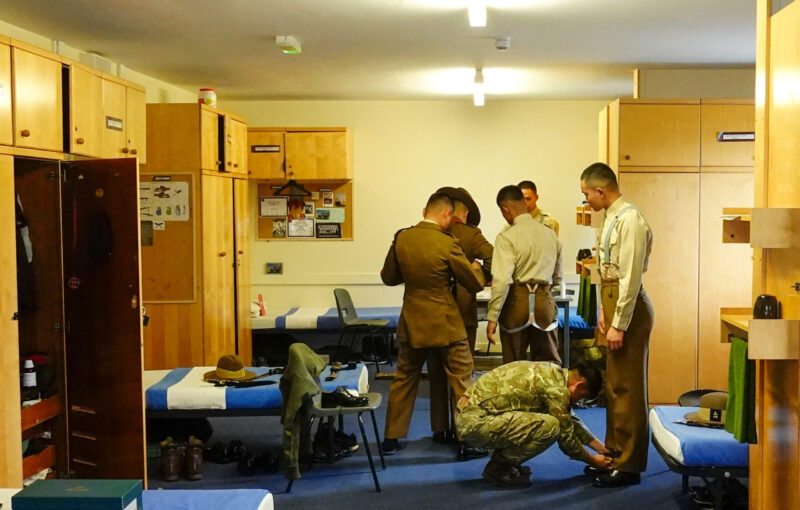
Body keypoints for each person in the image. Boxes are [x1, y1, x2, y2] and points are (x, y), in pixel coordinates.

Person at [380, 191, 485, 456]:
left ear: (424, 211)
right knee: (461, 378)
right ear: (447, 215)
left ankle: (391, 438)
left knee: (404, 378)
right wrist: (476, 268)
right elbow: (473, 284)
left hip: (412, 321)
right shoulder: (446, 242)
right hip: (445, 323)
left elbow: (389, 278)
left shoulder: (402, 238)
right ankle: (466, 440)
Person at [580, 162, 654, 488]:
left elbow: (630, 277)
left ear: (601, 190)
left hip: (630, 308)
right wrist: (603, 310)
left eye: (587, 194)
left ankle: (629, 465)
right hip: (613, 304)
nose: (586, 201)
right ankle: (614, 454)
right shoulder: (611, 217)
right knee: (614, 387)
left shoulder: (631, 219)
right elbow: (606, 270)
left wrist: (619, 323)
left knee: (628, 389)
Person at [456, 361, 613, 488]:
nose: (579, 401)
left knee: (545, 421)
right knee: (551, 426)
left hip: (472, 415)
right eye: (582, 397)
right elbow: (567, 439)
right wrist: (593, 460)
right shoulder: (557, 391)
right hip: (475, 424)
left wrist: (601, 448)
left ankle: (504, 461)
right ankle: (499, 467)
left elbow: (568, 417)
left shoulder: (553, 372)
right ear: (579, 385)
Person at [426, 187, 493, 459]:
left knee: (436, 374)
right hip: (462, 313)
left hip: (431, 315)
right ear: (463, 212)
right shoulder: (470, 235)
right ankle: (464, 434)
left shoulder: (426, 234)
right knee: (463, 376)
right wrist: (480, 273)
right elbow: (494, 257)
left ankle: (440, 429)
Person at [486, 185, 563, 365]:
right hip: (544, 301)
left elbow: (502, 281)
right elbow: (558, 277)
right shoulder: (550, 234)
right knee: (548, 364)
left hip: (516, 303)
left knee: (514, 364)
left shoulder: (506, 236)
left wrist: (492, 317)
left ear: (505, 210)